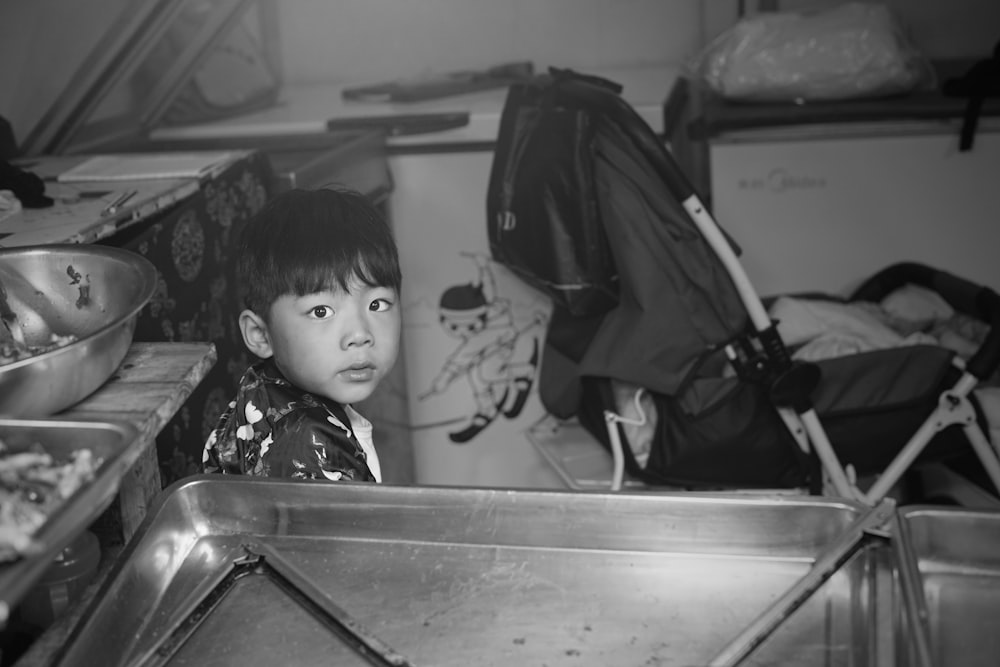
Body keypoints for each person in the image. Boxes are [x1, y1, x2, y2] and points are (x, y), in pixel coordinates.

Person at [202, 187, 401, 483]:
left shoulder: (266, 389)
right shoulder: (309, 453)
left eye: (377, 304)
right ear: (261, 335)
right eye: (321, 311)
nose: (359, 334)